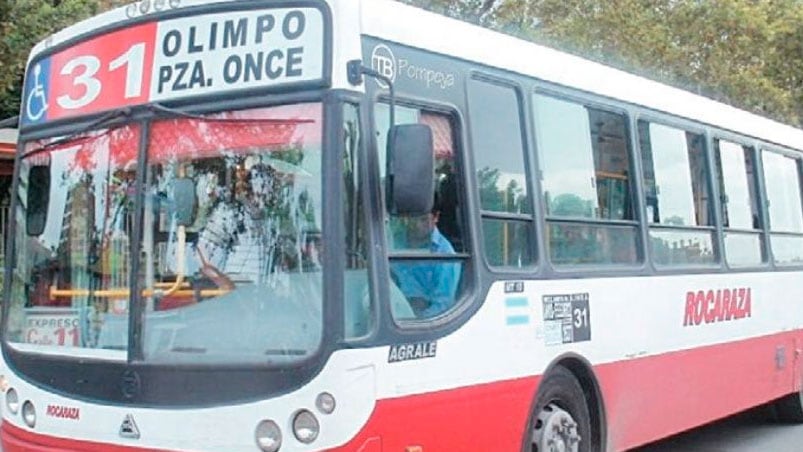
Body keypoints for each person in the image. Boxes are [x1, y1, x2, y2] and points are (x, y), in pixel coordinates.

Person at [389, 203, 461, 318]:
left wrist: (415, 322)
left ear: (436, 217)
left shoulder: (446, 255)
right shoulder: (392, 239)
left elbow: (443, 305)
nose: (416, 225)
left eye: (423, 220)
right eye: (413, 218)